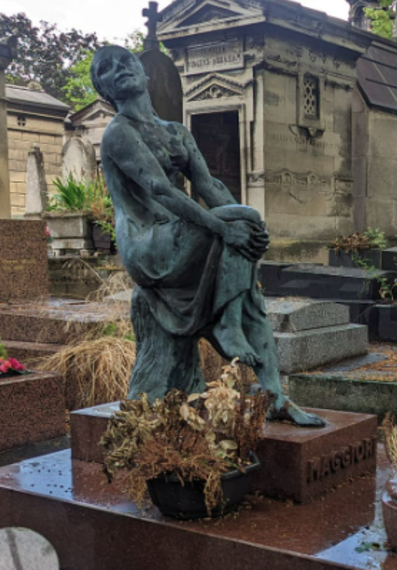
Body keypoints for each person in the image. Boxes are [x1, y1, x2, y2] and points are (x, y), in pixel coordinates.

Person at [91, 45, 324, 427]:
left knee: (252, 291)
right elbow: (161, 190)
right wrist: (226, 229)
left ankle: (276, 396)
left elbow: (209, 185)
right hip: (147, 242)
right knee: (237, 224)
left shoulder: (176, 132)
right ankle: (228, 326)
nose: (118, 70)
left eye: (125, 62)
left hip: (184, 232)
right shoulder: (118, 133)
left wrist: (249, 231)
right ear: (103, 88)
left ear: (144, 73)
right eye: (107, 69)